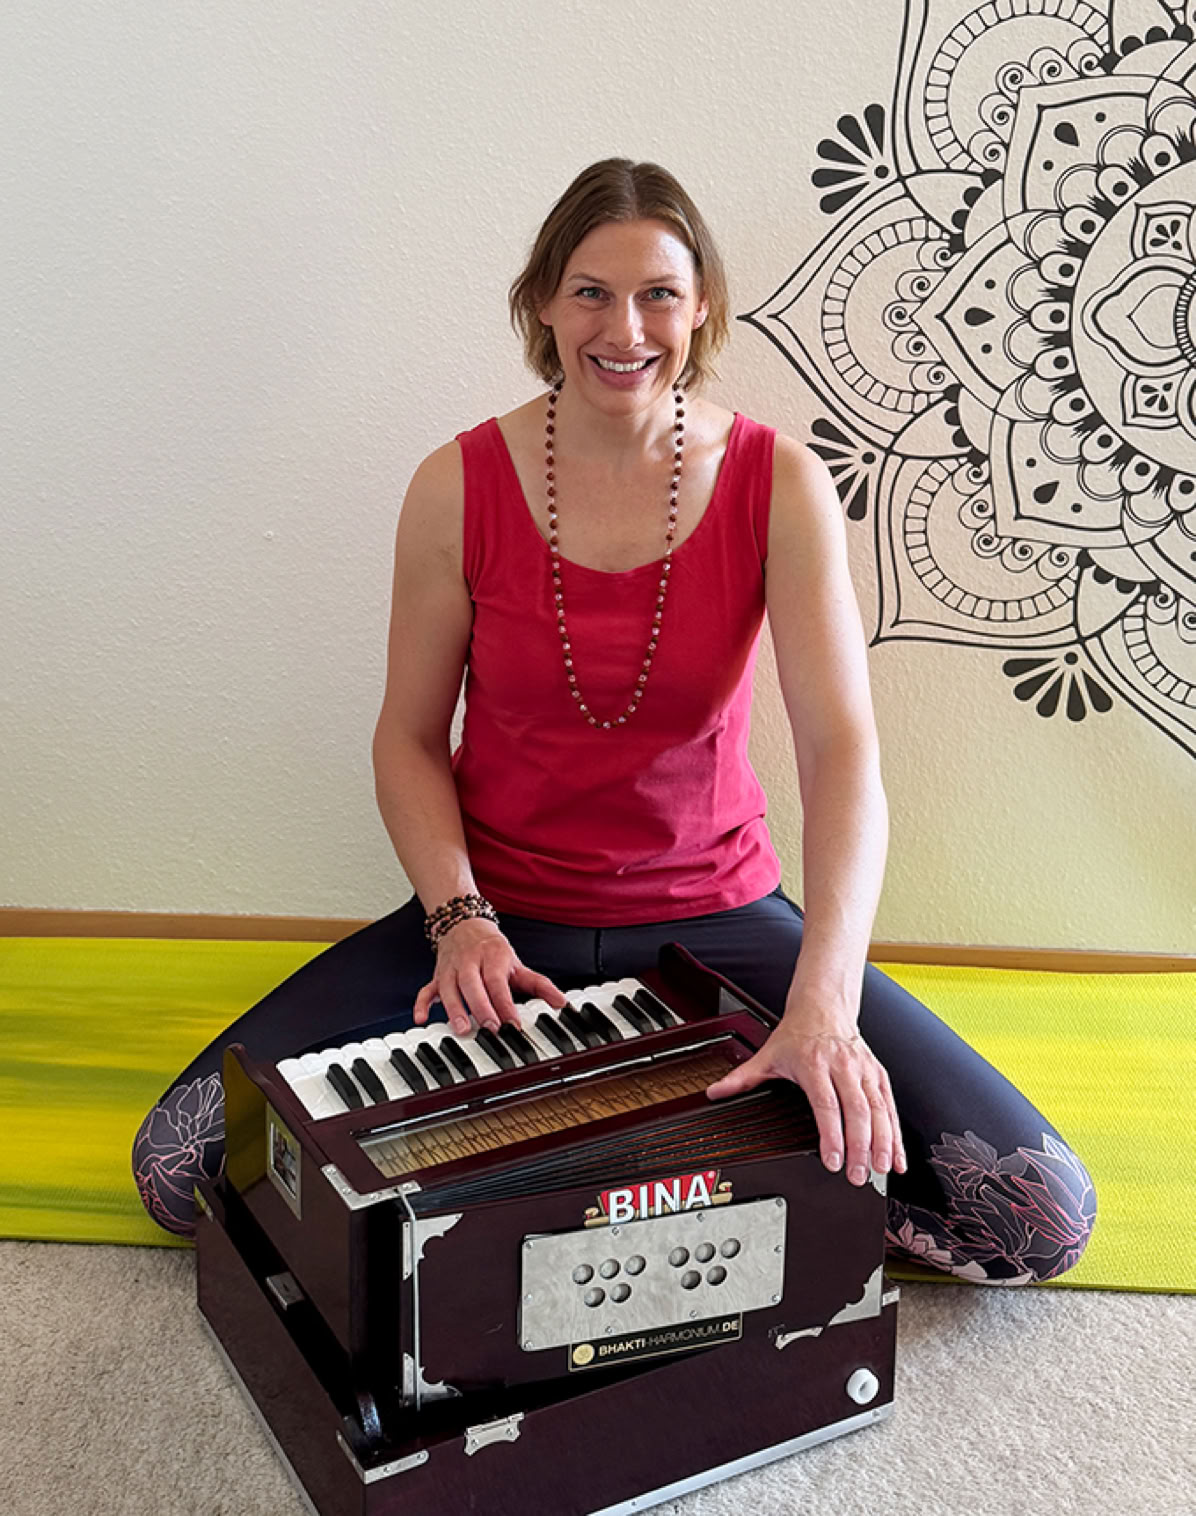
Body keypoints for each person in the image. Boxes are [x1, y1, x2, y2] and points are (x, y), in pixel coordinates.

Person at [133, 159, 1095, 1284]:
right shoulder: (454, 484)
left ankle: (646, 1143)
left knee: (1037, 1219)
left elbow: (841, 753)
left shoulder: (780, 483)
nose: (624, 329)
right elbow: (408, 738)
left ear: (700, 307)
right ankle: (641, 1135)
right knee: (179, 1172)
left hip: (719, 919)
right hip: (495, 928)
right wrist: (457, 920)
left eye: (657, 295)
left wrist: (826, 1003)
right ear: (542, 302)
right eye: (590, 292)